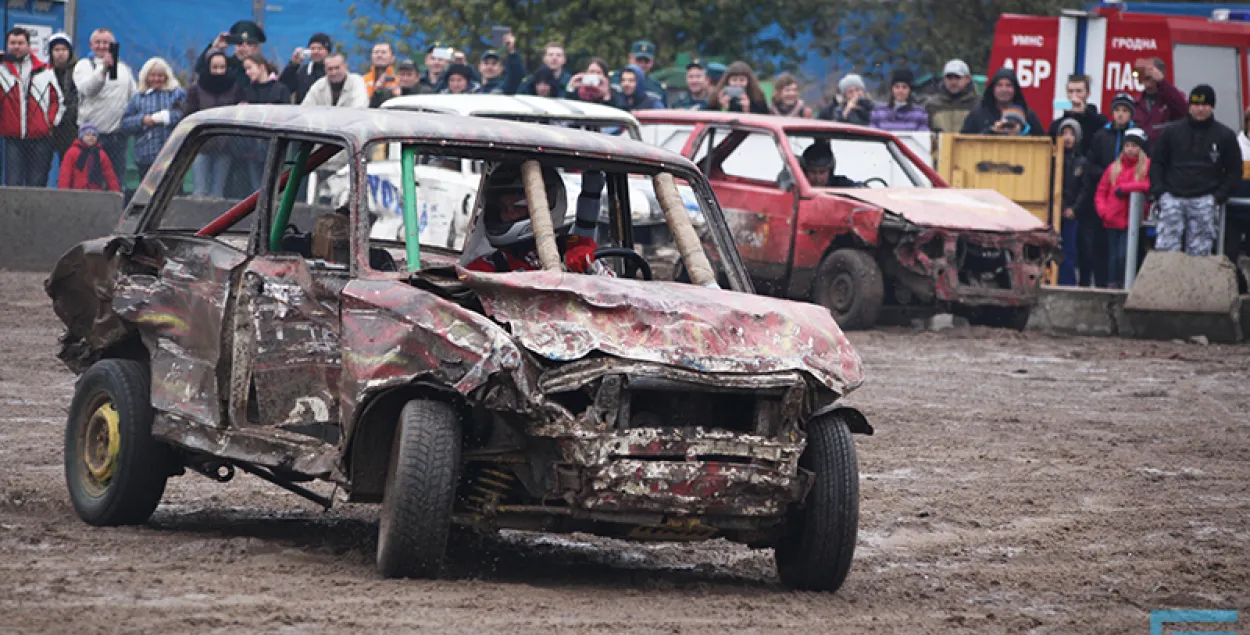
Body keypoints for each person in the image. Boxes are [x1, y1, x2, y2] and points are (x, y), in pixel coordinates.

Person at [1149, 85, 1243, 256]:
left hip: (1205, 200)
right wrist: (1160, 192)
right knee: (1166, 252)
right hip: (1172, 198)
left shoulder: (1225, 135)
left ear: (1212, 106)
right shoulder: (1171, 132)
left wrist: (1218, 197)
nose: (1200, 109)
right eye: (1196, 104)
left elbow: (1235, 170)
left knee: (1200, 254)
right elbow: (1157, 163)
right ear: (1189, 105)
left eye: (1205, 105)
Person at [466, 163, 605, 274]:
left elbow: (614, 290)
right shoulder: (487, 266)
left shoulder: (574, 247)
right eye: (502, 208)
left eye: (518, 207)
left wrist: (591, 267)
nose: (508, 215)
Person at [1076, 92, 1137, 287]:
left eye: (1125, 111)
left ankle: (1125, 283)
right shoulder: (1101, 135)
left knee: (1124, 248)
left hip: (1127, 200)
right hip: (1104, 197)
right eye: (1117, 110)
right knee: (1100, 246)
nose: (1120, 115)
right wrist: (1107, 175)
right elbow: (1090, 164)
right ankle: (1103, 284)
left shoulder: (1137, 137)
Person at [0, 27, 65, 187]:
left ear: (28, 45)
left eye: (20, 43)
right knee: (13, 184)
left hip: (41, 139)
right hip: (13, 138)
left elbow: (58, 100)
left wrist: (50, 122)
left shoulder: (45, 70)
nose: (16, 46)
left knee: (37, 183)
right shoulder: (2, 70)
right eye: (12, 43)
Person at [73, 28, 135, 189]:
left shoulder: (124, 68)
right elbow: (88, 89)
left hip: (117, 135)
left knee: (116, 180)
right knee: (91, 181)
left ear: (113, 45)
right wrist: (103, 70)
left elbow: (132, 97)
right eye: (98, 42)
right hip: (91, 136)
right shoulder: (83, 66)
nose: (101, 46)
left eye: (105, 43)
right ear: (91, 44)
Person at [1095, 128, 1151, 288]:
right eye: (1127, 145)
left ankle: (1129, 286)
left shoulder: (1147, 166)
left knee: (1125, 256)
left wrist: (1126, 188)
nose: (1130, 149)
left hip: (1132, 220)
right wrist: (1103, 212)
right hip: (1112, 219)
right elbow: (1101, 191)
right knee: (1113, 257)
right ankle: (1113, 287)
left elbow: (1148, 185)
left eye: (1134, 145)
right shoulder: (1113, 167)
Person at [185, 49, 244, 198]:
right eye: (215, 67)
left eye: (222, 67)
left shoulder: (235, 88)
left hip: (225, 145)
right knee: (200, 190)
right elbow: (189, 115)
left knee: (218, 192)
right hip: (202, 144)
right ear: (208, 67)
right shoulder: (196, 89)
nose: (218, 71)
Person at [120, 57, 184, 184]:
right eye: (152, 75)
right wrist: (142, 120)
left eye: (160, 75)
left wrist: (164, 118)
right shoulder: (138, 98)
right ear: (146, 77)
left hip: (172, 154)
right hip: (146, 155)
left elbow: (185, 115)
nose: (156, 79)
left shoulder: (177, 94)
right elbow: (125, 124)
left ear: (166, 76)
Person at [240, 55, 291, 192]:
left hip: (274, 145)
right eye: (245, 69)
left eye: (250, 68)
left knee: (273, 185)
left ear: (262, 67)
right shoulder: (247, 91)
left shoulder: (280, 89)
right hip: (252, 147)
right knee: (255, 188)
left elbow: (287, 117)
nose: (247, 72)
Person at [961, 67, 1044, 136]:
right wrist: (992, 131)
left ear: (1015, 89)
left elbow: (1043, 143)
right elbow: (964, 140)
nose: (1004, 90)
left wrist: (1021, 132)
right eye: (999, 85)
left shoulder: (1027, 114)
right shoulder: (978, 113)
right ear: (992, 89)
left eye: (1008, 85)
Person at [1055, 119, 1085, 286]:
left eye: (1071, 134)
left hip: (1071, 214)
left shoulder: (1081, 162)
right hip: (1054, 212)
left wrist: (1074, 208)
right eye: (1064, 133)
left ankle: (1068, 284)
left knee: (1069, 250)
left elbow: (1084, 190)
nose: (1067, 138)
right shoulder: (1052, 158)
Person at [196, 20, 265, 89]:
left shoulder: (262, 68)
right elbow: (200, 70)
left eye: (249, 44)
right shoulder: (226, 65)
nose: (244, 47)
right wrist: (214, 47)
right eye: (239, 43)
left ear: (256, 47)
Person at [1132, 57, 1187, 144]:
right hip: (1142, 154)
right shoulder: (1136, 102)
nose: (1146, 74)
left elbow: (1183, 110)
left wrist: (1162, 82)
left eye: (1150, 70)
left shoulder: (1172, 97)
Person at [1047, 75, 1106, 154]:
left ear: (1088, 94)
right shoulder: (1057, 124)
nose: (1074, 96)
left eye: (1079, 91)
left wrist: (1084, 113)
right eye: (1071, 91)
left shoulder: (1097, 121)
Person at [47, 33, 79, 176]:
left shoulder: (77, 71)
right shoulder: (44, 72)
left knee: (68, 167)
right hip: (49, 126)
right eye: (56, 49)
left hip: (70, 127)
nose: (60, 54)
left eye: (64, 49)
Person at [58, 123, 120, 192]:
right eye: (87, 135)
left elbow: (110, 176)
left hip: (96, 192)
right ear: (81, 137)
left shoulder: (101, 154)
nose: (91, 137)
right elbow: (65, 174)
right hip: (76, 191)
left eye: (94, 135)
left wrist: (115, 191)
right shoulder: (72, 152)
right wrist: (63, 192)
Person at [926, 59, 978, 133]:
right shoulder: (932, 105)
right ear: (944, 79)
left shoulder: (978, 105)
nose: (953, 82)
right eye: (949, 77)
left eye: (958, 77)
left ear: (968, 79)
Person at [610, 41, 666, 106]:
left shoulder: (658, 89)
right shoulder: (613, 79)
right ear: (630, 58)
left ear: (652, 62)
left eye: (646, 61)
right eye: (638, 60)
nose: (642, 64)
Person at [280, 33, 331, 104]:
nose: (316, 52)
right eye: (312, 48)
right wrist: (293, 65)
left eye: (320, 49)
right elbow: (284, 88)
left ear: (327, 51)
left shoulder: (333, 70)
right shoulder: (303, 71)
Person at [302, 53, 368, 108]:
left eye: (337, 68)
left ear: (345, 66)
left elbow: (360, 108)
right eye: (330, 69)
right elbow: (306, 109)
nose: (334, 72)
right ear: (325, 70)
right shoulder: (318, 85)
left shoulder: (356, 81)